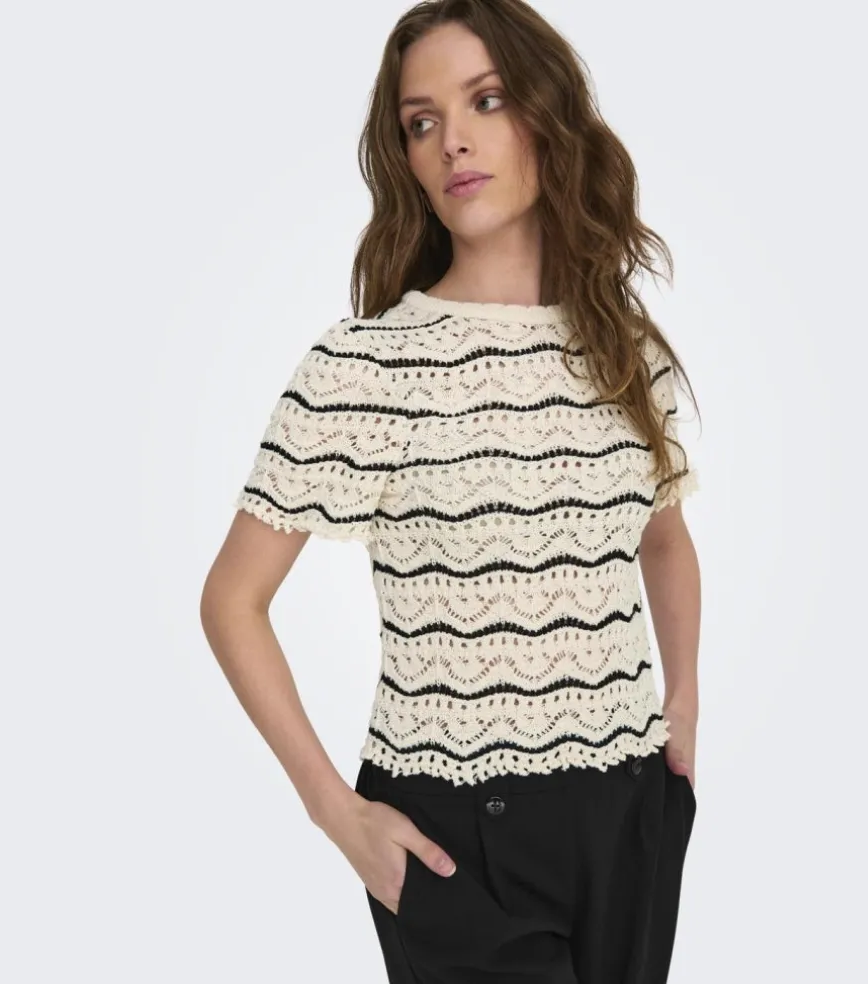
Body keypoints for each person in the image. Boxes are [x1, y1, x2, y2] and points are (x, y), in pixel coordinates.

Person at [200, 1, 702, 981]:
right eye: (420, 122)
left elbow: (665, 536)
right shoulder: (368, 366)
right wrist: (335, 813)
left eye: (487, 100)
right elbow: (232, 600)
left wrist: (681, 702)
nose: (452, 142)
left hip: (630, 807)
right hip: (455, 837)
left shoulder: (623, 349)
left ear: (549, 115)